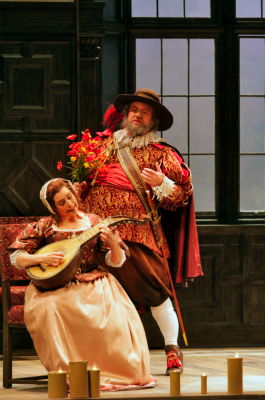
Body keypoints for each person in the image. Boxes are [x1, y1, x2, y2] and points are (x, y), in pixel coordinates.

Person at [78, 88, 203, 375]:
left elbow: (181, 194)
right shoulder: (102, 147)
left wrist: (162, 182)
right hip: (97, 234)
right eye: (133, 109)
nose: (136, 114)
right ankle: (97, 356)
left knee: (156, 292)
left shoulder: (163, 154)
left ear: (153, 120)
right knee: (97, 296)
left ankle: (172, 349)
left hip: (140, 235)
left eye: (143, 111)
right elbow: (86, 182)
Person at [9, 178, 154, 391]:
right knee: (51, 310)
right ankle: (70, 374)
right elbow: (17, 257)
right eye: (61, 202)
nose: (69, 204)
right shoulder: (46, 226)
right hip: (55, 287)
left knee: (113, 316)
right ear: (53, 207)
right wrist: (40, 259)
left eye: (70, 197)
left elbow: (115, 261)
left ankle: (116, 373)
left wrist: (113, 243)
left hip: (95, 282)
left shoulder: (95, 223)